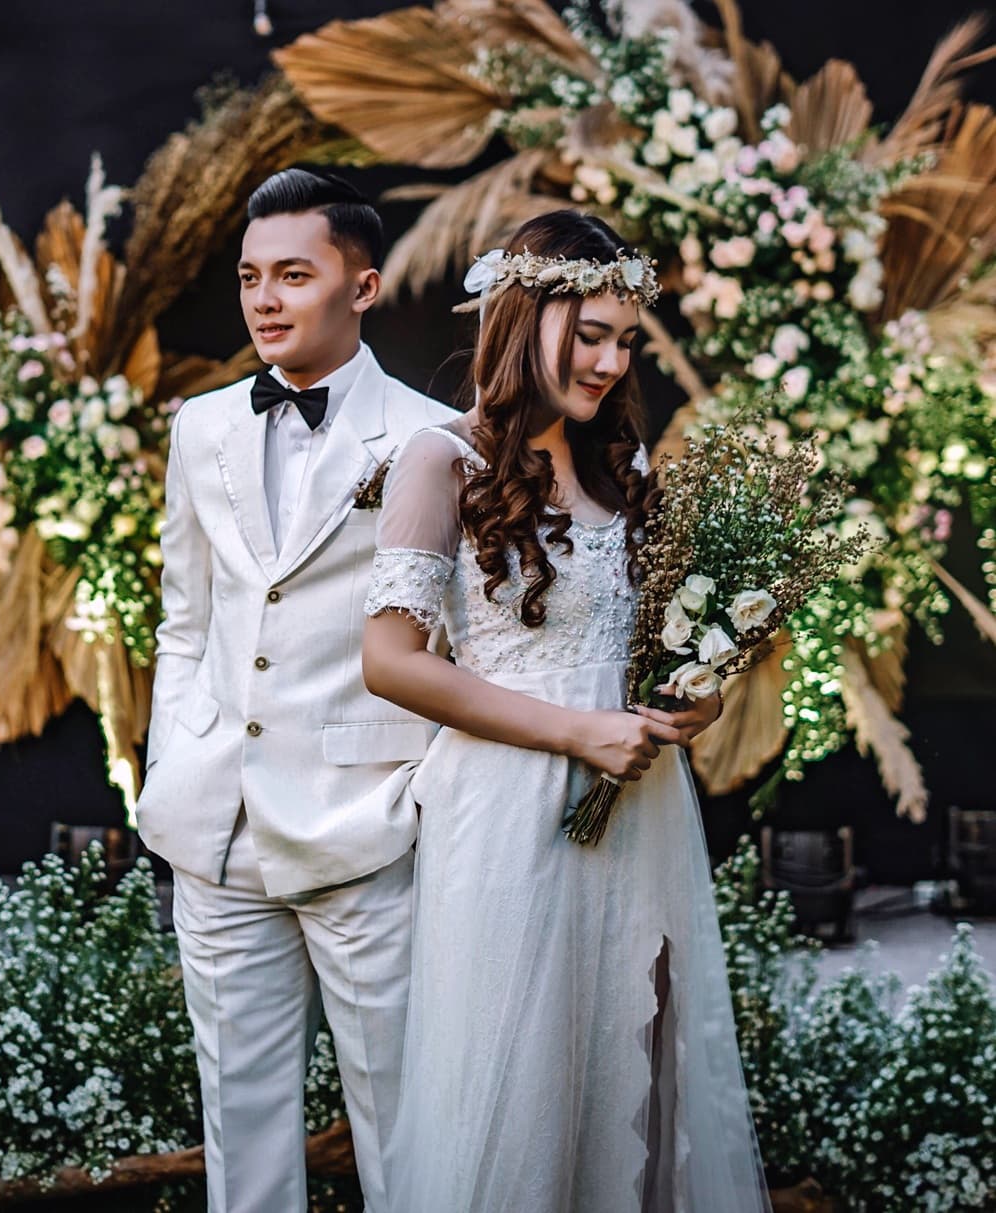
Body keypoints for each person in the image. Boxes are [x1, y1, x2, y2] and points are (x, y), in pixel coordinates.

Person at [362, 210, 772, 1212]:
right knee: (513, 1076)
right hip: (506, 812)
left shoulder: (624, 474)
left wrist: (693, 697)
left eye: (622, 340)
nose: (606, 359)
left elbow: (642, 649)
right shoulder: (439, 460)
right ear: (519, 318)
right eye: (586, 332)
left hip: (638, 813)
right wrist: (572, 731)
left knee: (629, 1069)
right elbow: (388, 661)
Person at [135, 168, 455, 1213]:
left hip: (364, 825)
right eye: (248, 277)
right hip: (214, 827)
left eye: (293, 275)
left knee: (406, 1121)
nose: (264, 299)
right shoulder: (201, 427)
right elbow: (185, 618)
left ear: (360, 287)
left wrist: (417, 797)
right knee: (241, 1120)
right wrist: (170, 763)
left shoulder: (433, 437)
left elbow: (458, 641)